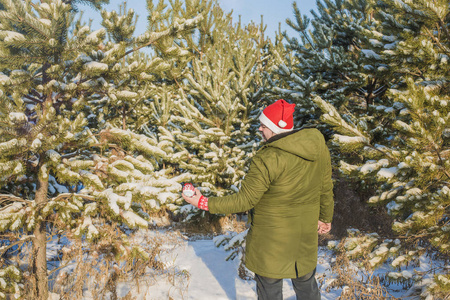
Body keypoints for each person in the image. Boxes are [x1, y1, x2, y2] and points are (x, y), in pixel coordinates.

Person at [182, 99, 334, 300]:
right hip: (304, 237)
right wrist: (325, 217)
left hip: (270, 242)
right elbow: (325, 186)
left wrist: (203, 202)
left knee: (270, 289)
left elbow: (244, 200)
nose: (260, 129)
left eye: (264, 125)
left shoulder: (267, 158)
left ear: (275, 127)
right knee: (306, 285)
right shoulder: (317, 147)